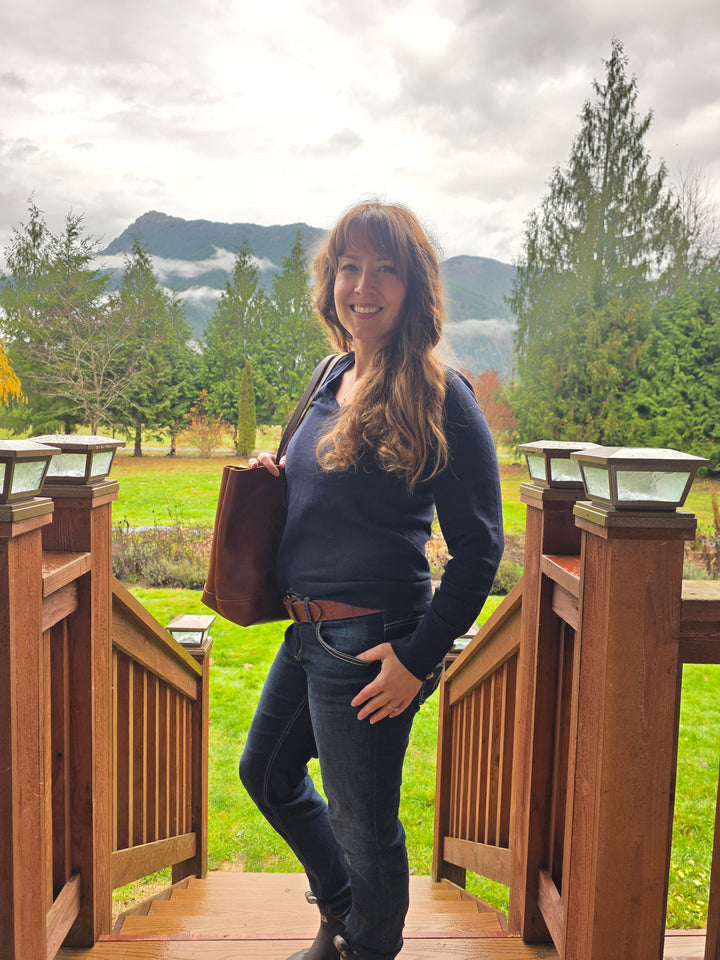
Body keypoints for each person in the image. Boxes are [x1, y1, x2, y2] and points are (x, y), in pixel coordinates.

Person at [239, 201, 504, 960]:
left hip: (370, 642)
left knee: (366, 827)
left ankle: (364, 946)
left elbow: (480, 549)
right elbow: (319, 489)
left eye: (385, 267)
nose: (365, 284)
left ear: (413, 284)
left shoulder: (440, 393)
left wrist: (416, 662)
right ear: (331, 281)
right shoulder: (331, 373)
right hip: (306, 631)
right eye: (349, 266)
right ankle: (346, 914)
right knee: (266, 770)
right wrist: (275, 476)